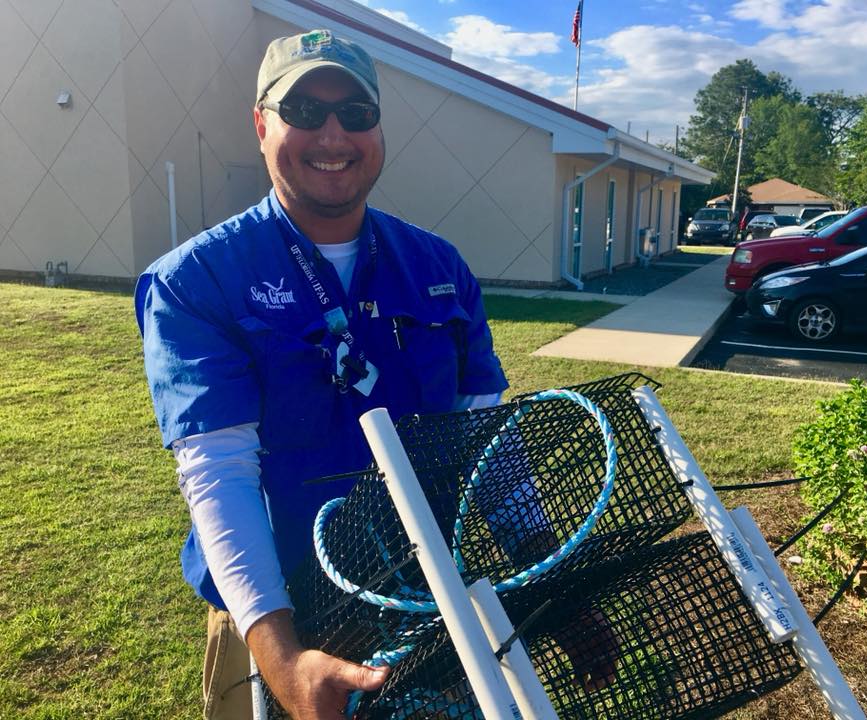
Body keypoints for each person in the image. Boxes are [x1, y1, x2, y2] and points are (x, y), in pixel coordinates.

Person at [136, 29, 616, 720]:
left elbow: (490, 444)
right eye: (304, 110)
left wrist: (554, 581)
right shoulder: (197, 281)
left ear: (379, 128)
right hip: (276, 624)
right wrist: (284, 658)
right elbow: (218, 472)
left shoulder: (439, 268)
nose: (333, 134)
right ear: (260, 123)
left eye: (356, 113)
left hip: (426, 607)